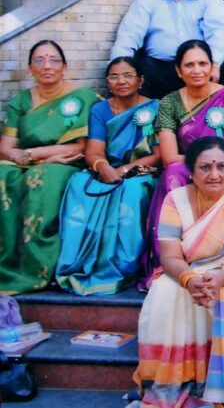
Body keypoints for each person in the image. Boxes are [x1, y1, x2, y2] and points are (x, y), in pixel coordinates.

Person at [134, 137, 224, 408]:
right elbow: (170, 256)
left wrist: (223, 277)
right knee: (164, 290)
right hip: (190, 271)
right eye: (205, 167)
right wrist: (190, 280)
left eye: (221, 167)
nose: (214, 175)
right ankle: (188, 379)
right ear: (191, 171)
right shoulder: (175, 199)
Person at [147, 39, 224, 282]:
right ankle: (169, 259)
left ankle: (216, 258)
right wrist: (206, 163)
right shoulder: (169, 102)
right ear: (178, 70)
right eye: (189, 65)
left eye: (203, 64)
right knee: (173, 172)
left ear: (212, 66)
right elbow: (170, 157)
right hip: (188, 167)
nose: (197, 70)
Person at [0, 40, 99, 294]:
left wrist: (34, 155)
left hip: (65, 162)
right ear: (30, 68)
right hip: (25, 162)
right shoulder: (22, 100)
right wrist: (26, 157)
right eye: (39, 60)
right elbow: (6, 147)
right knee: (2, 174)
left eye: (54, 60)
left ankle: (38, 267)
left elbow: (79, 147)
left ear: (64, 67)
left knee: (42, 177)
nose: (47, 66)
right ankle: (6, 262)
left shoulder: (82, 97)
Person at [56, 56, 158, 296]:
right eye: (114, 76)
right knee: (78, 183)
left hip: (140, 171)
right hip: (105, 170)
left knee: (132, 191)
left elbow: (158, 154)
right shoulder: (100, 110)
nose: (121, 81)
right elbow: (94, 151)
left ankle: (123, 266)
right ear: (108, 82)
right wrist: (103, 167)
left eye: (128, 75)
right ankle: (77, 262)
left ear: (141, 80)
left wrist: (123, 171)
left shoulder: (155, 107)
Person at [110, 0, 224, 99]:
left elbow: (218, 34)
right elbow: (128, 36)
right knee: (135, 73)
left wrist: (214, 64)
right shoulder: (148, 1)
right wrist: (119, 70)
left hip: (197, 69)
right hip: (157, 69)